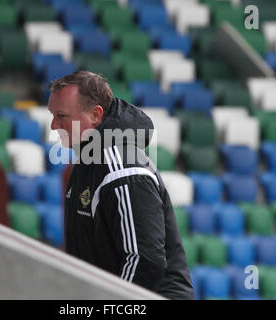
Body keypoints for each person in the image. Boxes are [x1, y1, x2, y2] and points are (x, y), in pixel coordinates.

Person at [48, 71, 194, 300]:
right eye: (52, 115)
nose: (53, 125)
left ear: (95, 115)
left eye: (62, 116)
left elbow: (143, 260)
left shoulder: (122, 168)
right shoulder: (89, 159)